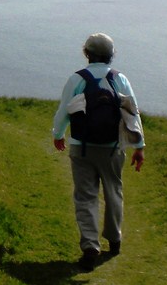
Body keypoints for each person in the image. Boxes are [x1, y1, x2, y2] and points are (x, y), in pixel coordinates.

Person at [52, 32, 145, 271]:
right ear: (111, 55)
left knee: (85, 196)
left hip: (81, 147)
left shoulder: (77, 79)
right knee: (114, 192)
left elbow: (64, 110)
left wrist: (58, 135)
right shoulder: (119, 79)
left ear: (87, 53)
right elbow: (132, 114)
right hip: (113, 148)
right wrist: (138, 146)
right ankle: (114, 239)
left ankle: (90, 245)